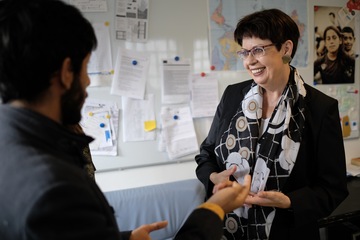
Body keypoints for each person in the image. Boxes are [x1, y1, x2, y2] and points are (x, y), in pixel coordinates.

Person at [0, 0, 251, 240]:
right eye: (86, 69)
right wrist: (214, 208)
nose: (87, 82)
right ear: (67, 73)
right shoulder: (56, 186)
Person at [195, 8, 348, 240]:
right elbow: (206, 154)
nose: (249, 61)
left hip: (287, 232)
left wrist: (289, 201)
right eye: (245, 52)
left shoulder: (319, 108)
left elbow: (333, 189)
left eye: (258, 50)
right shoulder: (233, 96)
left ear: (286, 48)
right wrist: (214, 177)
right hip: (228, 229)